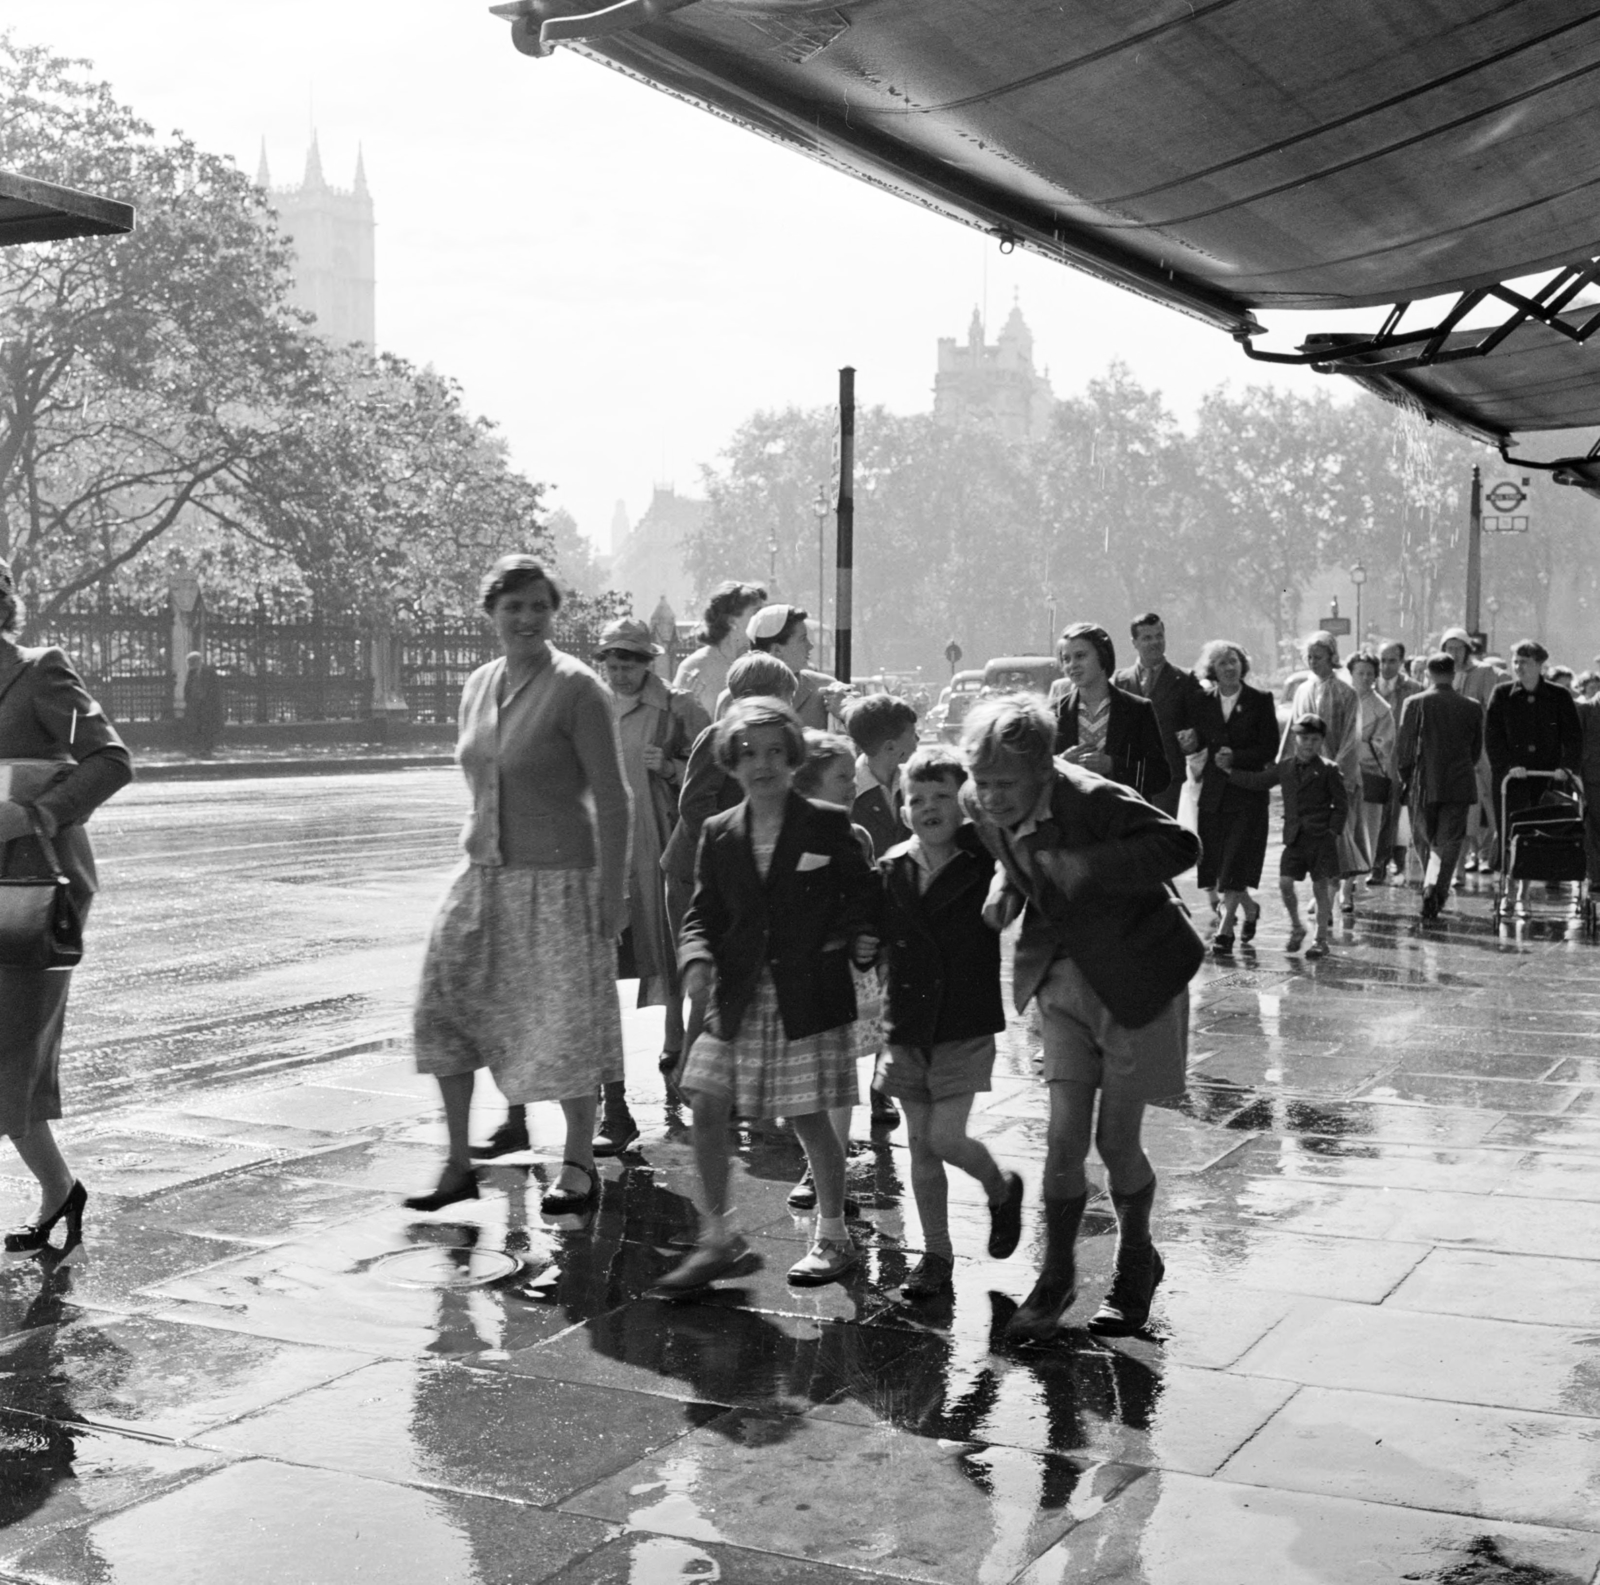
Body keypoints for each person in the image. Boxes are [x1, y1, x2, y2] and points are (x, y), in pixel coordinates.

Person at [959, 694, 1201, 1342]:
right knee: (1063, 1141)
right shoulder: (979, 802)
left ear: (1044, 770)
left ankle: (1135, 1263)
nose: (992, 796)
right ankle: (1056, 1277)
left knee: (1115, 1142)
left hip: (1137, 980)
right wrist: (1002, 892)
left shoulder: (1091, 797)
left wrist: (1088, 866)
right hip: (1061, 984)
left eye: (1006, 784)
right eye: (982, 783)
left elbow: (1180, 842)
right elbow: (1012, 861)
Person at [408, 556, 631, 1215]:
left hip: (561, 883)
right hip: (482, 875)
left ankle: (580, 1164)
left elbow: (615, 801)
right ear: (492, 614)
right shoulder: (478, 684)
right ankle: (456, 1163)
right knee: (441, 1011)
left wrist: (613, 897)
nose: (527, 618)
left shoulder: (578, 688)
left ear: (552, 612)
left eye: (539, 606)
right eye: (514, 607)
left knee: (563, 1025)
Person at [649, 698, 879, 1295]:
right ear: (729, 760)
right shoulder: (719, 832)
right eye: (748, 753)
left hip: (806, 994)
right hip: (739, 992)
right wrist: (696, 958)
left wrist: (860, 938)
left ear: (793, 756)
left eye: (776, 751)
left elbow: (865, 897)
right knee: (703, 1100)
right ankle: (718, 1237)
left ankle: (833, 1234)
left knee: (806, 1115)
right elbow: (703, 913)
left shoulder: (826, 824)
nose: (762, 764)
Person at [0, 556, 133, 1253]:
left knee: (11, 1056)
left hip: (32, 892)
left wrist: (36, 814)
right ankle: (61, 1192)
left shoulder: (40, 671)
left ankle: (60, 1192)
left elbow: (112, 759)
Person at [875, 746, 1024, 1299]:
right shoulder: (890, 867)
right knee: (919, 1144)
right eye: (917, 798)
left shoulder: (985, 862)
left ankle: (998, 1186)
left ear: (964, 805)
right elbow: (874, 933)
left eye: (943, 796)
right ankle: (935, 1253)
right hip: (907, 1026)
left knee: (943, 1135)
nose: (928, 806)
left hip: (963, 1021)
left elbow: (1015, 878)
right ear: (902, 806)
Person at [591, 616, 709, 1154]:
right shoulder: (592, 707)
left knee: (667, 943)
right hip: (608, 846)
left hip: (661, 841)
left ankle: (674, 1039)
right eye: (612, 664)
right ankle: (605, 1081)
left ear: (648, 664)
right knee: (607, 956)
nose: (619, 673)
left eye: (629, 663)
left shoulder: (679, 709)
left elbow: (716, 774)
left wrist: (671, 766)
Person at [658, 653, 797, 1093]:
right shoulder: (718, 737)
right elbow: (693, 804)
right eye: (783, 701)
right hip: (691, 873)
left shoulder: (770, 745)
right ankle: (694, 1074)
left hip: (732, 877)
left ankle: (714, 1074)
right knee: (704, 974)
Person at [1181, 640, 1279, 955]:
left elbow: (1269, 748)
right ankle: (1249, 910)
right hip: (1212, 792)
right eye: (1222, 662)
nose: (1229, 667)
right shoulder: (1201, 701)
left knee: (1237, 856)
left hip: (1247, 791)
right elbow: (1196, 741)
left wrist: (1235, 757)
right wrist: (1190, 744)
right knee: (1220, 863)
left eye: (1234, 661)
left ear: (1243, 665)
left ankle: (1225, 930)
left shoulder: (1260, 700)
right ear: (1213, 668)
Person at [1222, 715, 1348, 959]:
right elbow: (1259, 781)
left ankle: (1320, 939)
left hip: (1321, 839)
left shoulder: (1329, 770)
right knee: (1284, 883)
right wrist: (1229, 772)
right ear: (1294, 738)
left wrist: (1333, 831)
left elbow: (1341, 805)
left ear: (1322, 741)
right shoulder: (1286, 767)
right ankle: (1296, 927)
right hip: (1295, 839)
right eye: (1303, 738)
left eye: (1314, 739)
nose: (1308, 744)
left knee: (1321, 890)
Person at [1486, 639, 1583, 916]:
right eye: (1515, 661)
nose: (1518, 667)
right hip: (1512, 779)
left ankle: (1524, 894)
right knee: (1510, 833)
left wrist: (1566, 767)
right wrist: (1508, 766)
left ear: (1540, 665)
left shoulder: (1558, 696)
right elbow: (1492, 737)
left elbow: (1573, 737)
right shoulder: (1502, 694)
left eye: (1525, 662)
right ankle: (1507, 890)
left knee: (1535, 835)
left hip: (1545, 777)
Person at [1395, 653, 1485, 920]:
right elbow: (1476, 750)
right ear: (1454, 673)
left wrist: (1406, 778)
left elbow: (1405, 750)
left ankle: (1430, 883)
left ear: (1429, 674)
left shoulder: (1414, 703)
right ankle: (1436, 890)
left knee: (1425, 840)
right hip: (1458, 782)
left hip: (1423, 783)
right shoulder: (1471, 706)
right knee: (1450, 841)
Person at [1281, 631, 1363, 899]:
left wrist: (1337, 771)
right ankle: (1324, 894)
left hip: (1336, 775)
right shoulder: (1303, 689)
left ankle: (1344, 889)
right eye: (1309, 657)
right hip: (1310, 776)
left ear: (1332, 657)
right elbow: (1293, 732)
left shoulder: (1346, 692)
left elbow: (1353, 736)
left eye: (1318, 656)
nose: (1313, 661)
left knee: (1342, 832)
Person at [1051, 623, 1169, 801]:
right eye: (1066, 659)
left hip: (1125, 821)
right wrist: (1060, 763)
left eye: (1080, 656)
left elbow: (1160, 777)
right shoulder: (1052, 713)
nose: (1072, 665)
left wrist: (1112, 765)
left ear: (1103, 655)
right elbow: (1032, 776)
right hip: (1072, 823)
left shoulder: (1138, 710)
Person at [1114, 612, 1205, 817]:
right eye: (1147, 638)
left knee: (1164, 839)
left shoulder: (1185, 679)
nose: (1155, 642)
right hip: (1129, 778)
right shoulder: (1120, 681)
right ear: (1134, 642)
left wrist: (1194, 739)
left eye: (1159, 636)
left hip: (1169, 780)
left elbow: (1202, 727)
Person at [1441, 626, 1499, 874]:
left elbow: (1491, 706)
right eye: (1449, 648)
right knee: (1462, 803)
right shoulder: (1442, 673)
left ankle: (1490, 854)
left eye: (1458, 647)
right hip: (1453, 746)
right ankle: (1466, 858)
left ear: (1467, 649)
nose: (1454, 653)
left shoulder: (1483, 672)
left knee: (1488, 799)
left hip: (1481, 743)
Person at [1341, 652, 1395, 914]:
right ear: (1350, 673)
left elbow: (1383, 745)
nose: (1365, 677)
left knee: (1364, 832)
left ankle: (1354, 885)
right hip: (1338, 776)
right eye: (1360, 672)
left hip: (1367, 775)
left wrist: (1353, 748)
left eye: (1370, 673)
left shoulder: (1381, 708)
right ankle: (1333, 887)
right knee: (1339, 831)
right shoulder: (1339, 698)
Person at [671, 581, 766, 718]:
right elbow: (676, 723)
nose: (762, 620)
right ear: (732, 621)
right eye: (756, 613)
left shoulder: (764, 662)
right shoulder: (694, 667)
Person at [744, 604, 846, 728]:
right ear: (777, 650)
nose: (810, 646)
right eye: (803, 639)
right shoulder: (734, 697)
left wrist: (845, 710)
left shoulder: (825, 689)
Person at [845, 693, 918, 859]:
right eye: (913, 733)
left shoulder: (914, 782)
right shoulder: (849, 791)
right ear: (890, 747)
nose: (918, 739)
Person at [1372, 641, 1422, 881]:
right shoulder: (1369, 685)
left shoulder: (1414, 689)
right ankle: (1377, 863)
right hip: (1372, 760)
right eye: (1382, 660)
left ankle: (1394, 863)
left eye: (1392, 660)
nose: (1386, 666)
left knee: (1397, 813)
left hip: (1401, 760)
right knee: (1376, 814)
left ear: (1402, 662)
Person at [180, 652, 225, 757]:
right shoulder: (191, 672)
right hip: (195, 706)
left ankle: (207, 749)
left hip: (208, 706)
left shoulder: (209, 671)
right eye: (189, 662)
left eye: (191, 662)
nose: (190, 665)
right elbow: (188, 688)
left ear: (198, 661)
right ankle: (198, 749)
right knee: (196, 727)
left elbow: (215, 689)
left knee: (207, 727)